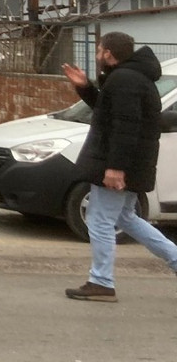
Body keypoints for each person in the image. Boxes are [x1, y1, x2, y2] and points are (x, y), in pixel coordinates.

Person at [60, 32, 177, 302]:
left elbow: (125, 128)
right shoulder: (130, 77)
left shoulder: (125, 79)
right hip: (132, 163)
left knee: (99, 221)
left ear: (109, 53)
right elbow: (112, 112)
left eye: (100, 50)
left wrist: (115, 169)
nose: (97, 54)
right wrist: (86, 88)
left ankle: (101, 282)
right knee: (126, 218)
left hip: (119, 165)